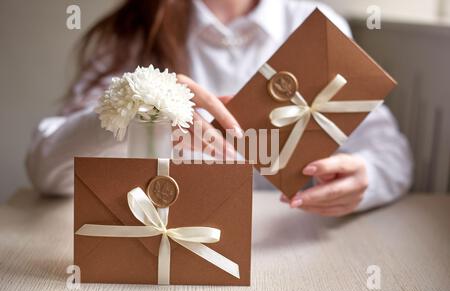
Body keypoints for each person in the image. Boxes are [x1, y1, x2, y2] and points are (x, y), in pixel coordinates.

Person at [26, 0, 413, 217]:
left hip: (289, 238)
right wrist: (136, 106)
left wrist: (366, 178)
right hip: (161, 241)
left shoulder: (315, 24)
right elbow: (45, 169)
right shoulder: (135, 29)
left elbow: (389, 151)